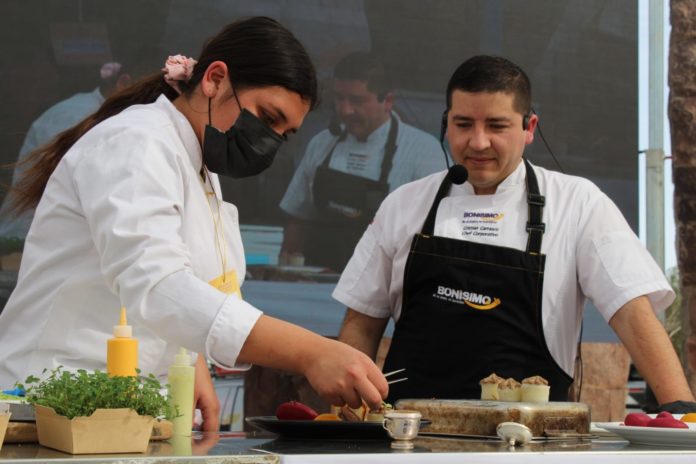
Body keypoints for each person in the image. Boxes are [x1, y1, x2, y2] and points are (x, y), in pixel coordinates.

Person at [0, 17, 388, 430]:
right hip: (45, 409)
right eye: (267, 117)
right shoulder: (137, 143)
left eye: (284, 133)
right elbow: (158, 283)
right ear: (215, 79)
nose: (270, 141)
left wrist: (190, 357)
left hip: (121, 415)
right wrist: (311, 352)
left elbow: (197, 286)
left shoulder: (197, 164)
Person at [334, 55, 696, 410]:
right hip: (409, 439)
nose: (478, 142)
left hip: (529, 444)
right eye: (463, 124)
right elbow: (362, 321)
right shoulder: (404, 204)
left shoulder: (579, 204)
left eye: (496, 125)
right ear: (446, 124)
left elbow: (633, 313)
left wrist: (683, 414)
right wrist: (341, 419)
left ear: (529, 128)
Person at [279, 52, 442, 271]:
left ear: (388, 101)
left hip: (385, 288)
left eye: (357, 100)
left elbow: (438, 235)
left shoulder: (424, 152)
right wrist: (287, 271)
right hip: (316, 280)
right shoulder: (321, 144)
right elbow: (298, 216)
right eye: (339, 98)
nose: (345, 110)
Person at [0, 62, 132, 240]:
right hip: (27, 237)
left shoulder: (123, 117)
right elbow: (81, 187)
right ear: (124, 83)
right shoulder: (74, 115)